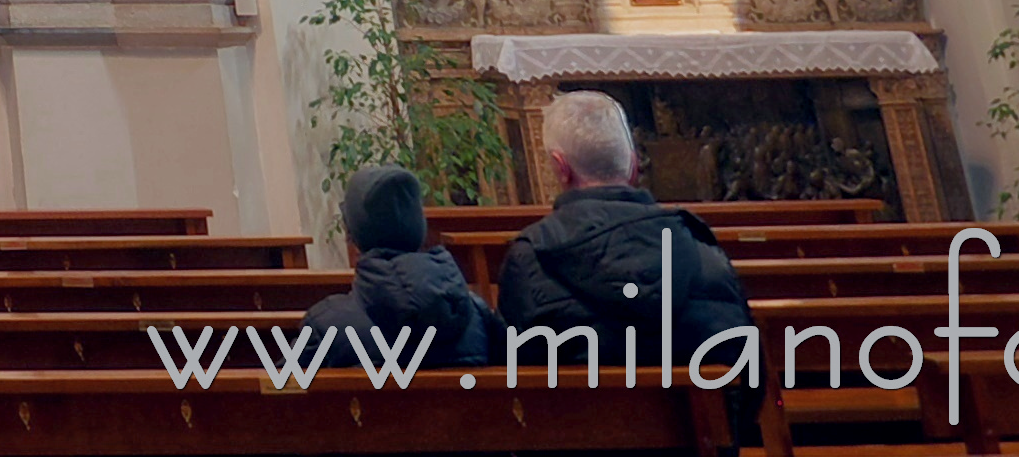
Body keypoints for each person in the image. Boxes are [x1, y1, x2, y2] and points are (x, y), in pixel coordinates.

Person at [497, 91, 753, 371]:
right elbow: (747, 368)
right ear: (633, 164)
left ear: (561, 168)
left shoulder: (529, 259)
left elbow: (515, 371)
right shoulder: (702, 249)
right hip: (703, 413)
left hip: (582, 414)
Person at [292, 166, 500, 375]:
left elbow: (276, 397)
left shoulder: (327, 326)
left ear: (353, 235)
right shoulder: (477, 316)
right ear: (419, 227)